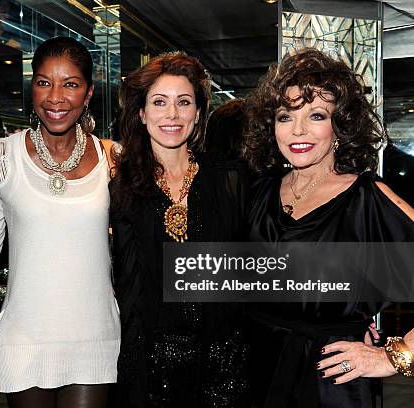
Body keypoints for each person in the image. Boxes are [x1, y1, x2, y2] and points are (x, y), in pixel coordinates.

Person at [243, 48, 414, 408]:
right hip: (254, 371)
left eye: (316, 115)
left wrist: (396, 356)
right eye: (285, 116)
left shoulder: (369, 199)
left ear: (340, 125)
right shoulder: (258, 189)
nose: (298, 130)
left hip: (330, 383)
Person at [0, 36, 120, 408]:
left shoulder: (113, 158)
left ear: (88, 93)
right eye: (43, 82)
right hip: (25, 335)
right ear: (32, 88)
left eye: (70, 84)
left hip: (94, 335)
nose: (55, 97)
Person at [110, 52, 251, 408]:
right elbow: (123, 281)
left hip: (224, 365)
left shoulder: (231, 179)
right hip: (149, 366)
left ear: (198, 113)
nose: (172, 115)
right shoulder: (120, 187)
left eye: (183, 102)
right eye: (159, 102)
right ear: (142, 113)